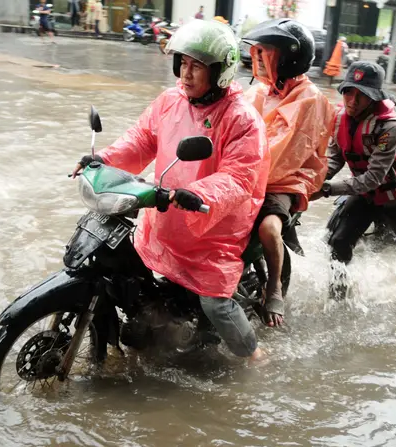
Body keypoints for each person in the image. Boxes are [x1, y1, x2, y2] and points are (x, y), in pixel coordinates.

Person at [71, 20, 270, 365]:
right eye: (183, 63)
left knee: (214, 301)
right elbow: (141, 140)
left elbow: (239, 178)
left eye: (197, 66)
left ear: (220, 71)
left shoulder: (242, 119)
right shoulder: (170, 101)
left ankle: (255, 356)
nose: (186, 73)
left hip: (214, 224)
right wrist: (102, 159)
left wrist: (197, 194)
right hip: (166, 206)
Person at [242, 19, 335, 327]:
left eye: (265, 53)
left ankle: (274, 288)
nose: (258, 59)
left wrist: (241, 169)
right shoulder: (260, 90)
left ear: (288, 59)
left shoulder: (310, 99)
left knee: (268, 228)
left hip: (284, 178)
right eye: (258, 53)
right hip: (248, 172)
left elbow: (284, 152)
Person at [313, 61, 396, 285]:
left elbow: (373, 178)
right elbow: (335, 157)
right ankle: (337, 297)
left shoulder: (390, 127)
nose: (353, 101)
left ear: (375, 97)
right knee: (338, 242)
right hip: (366, 194)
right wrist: (316, 179)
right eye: (348, 92)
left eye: (361, 95)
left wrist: (327, 189)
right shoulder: (340, 118)